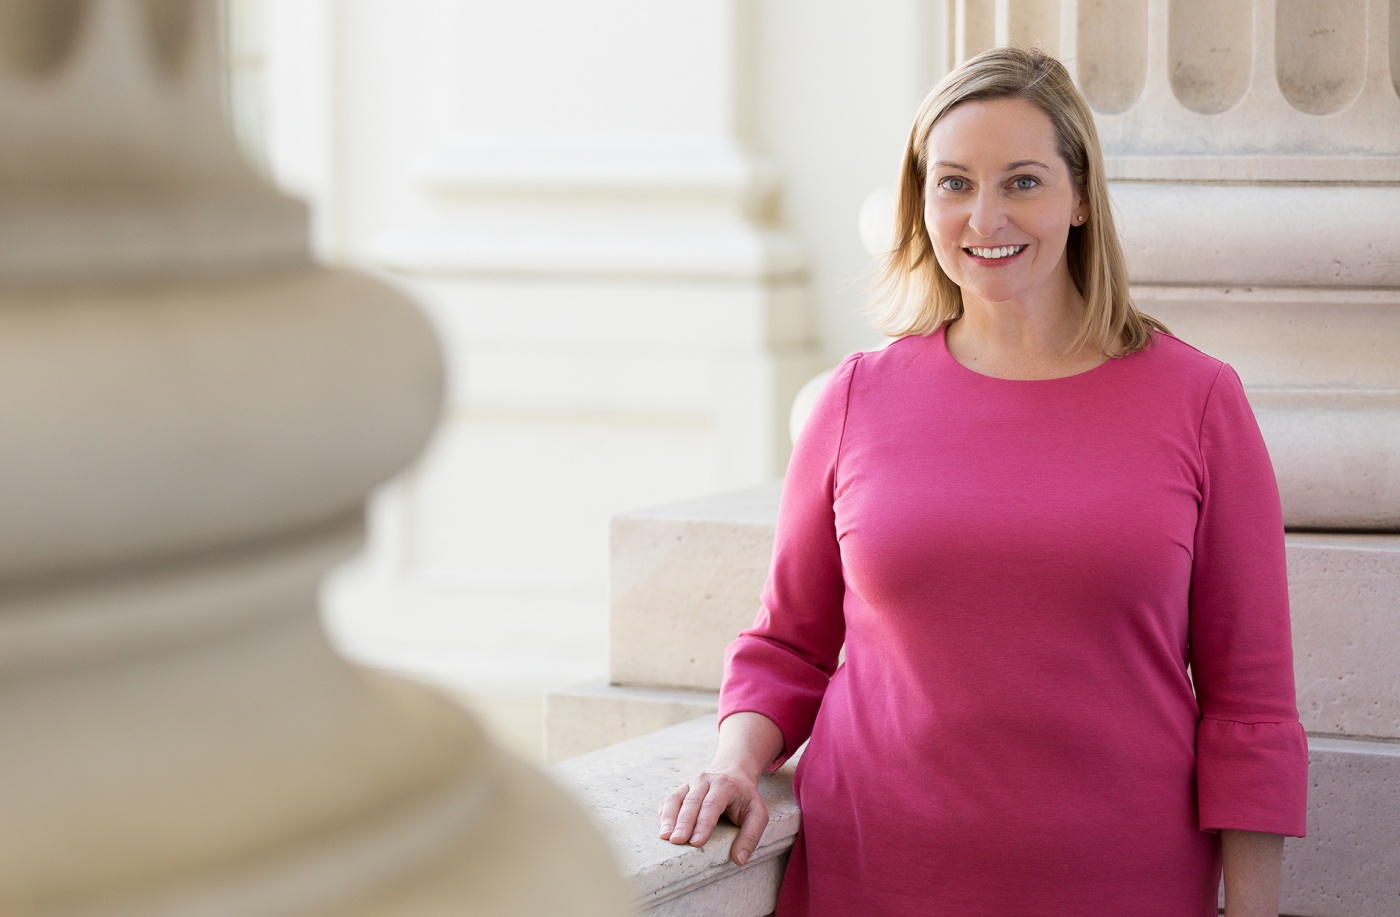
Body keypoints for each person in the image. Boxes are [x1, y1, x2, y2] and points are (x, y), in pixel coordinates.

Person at [657, 47, 1308, 916]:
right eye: (954, 183)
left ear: (1080, 198)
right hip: (875, 872)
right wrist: (736, 761)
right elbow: (788, 645)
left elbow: (1249, 705)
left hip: (1122, 877)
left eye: (1023, 181)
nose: (985, 215)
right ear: (921, 203)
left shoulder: (1198, 401)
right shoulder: (856, 398)